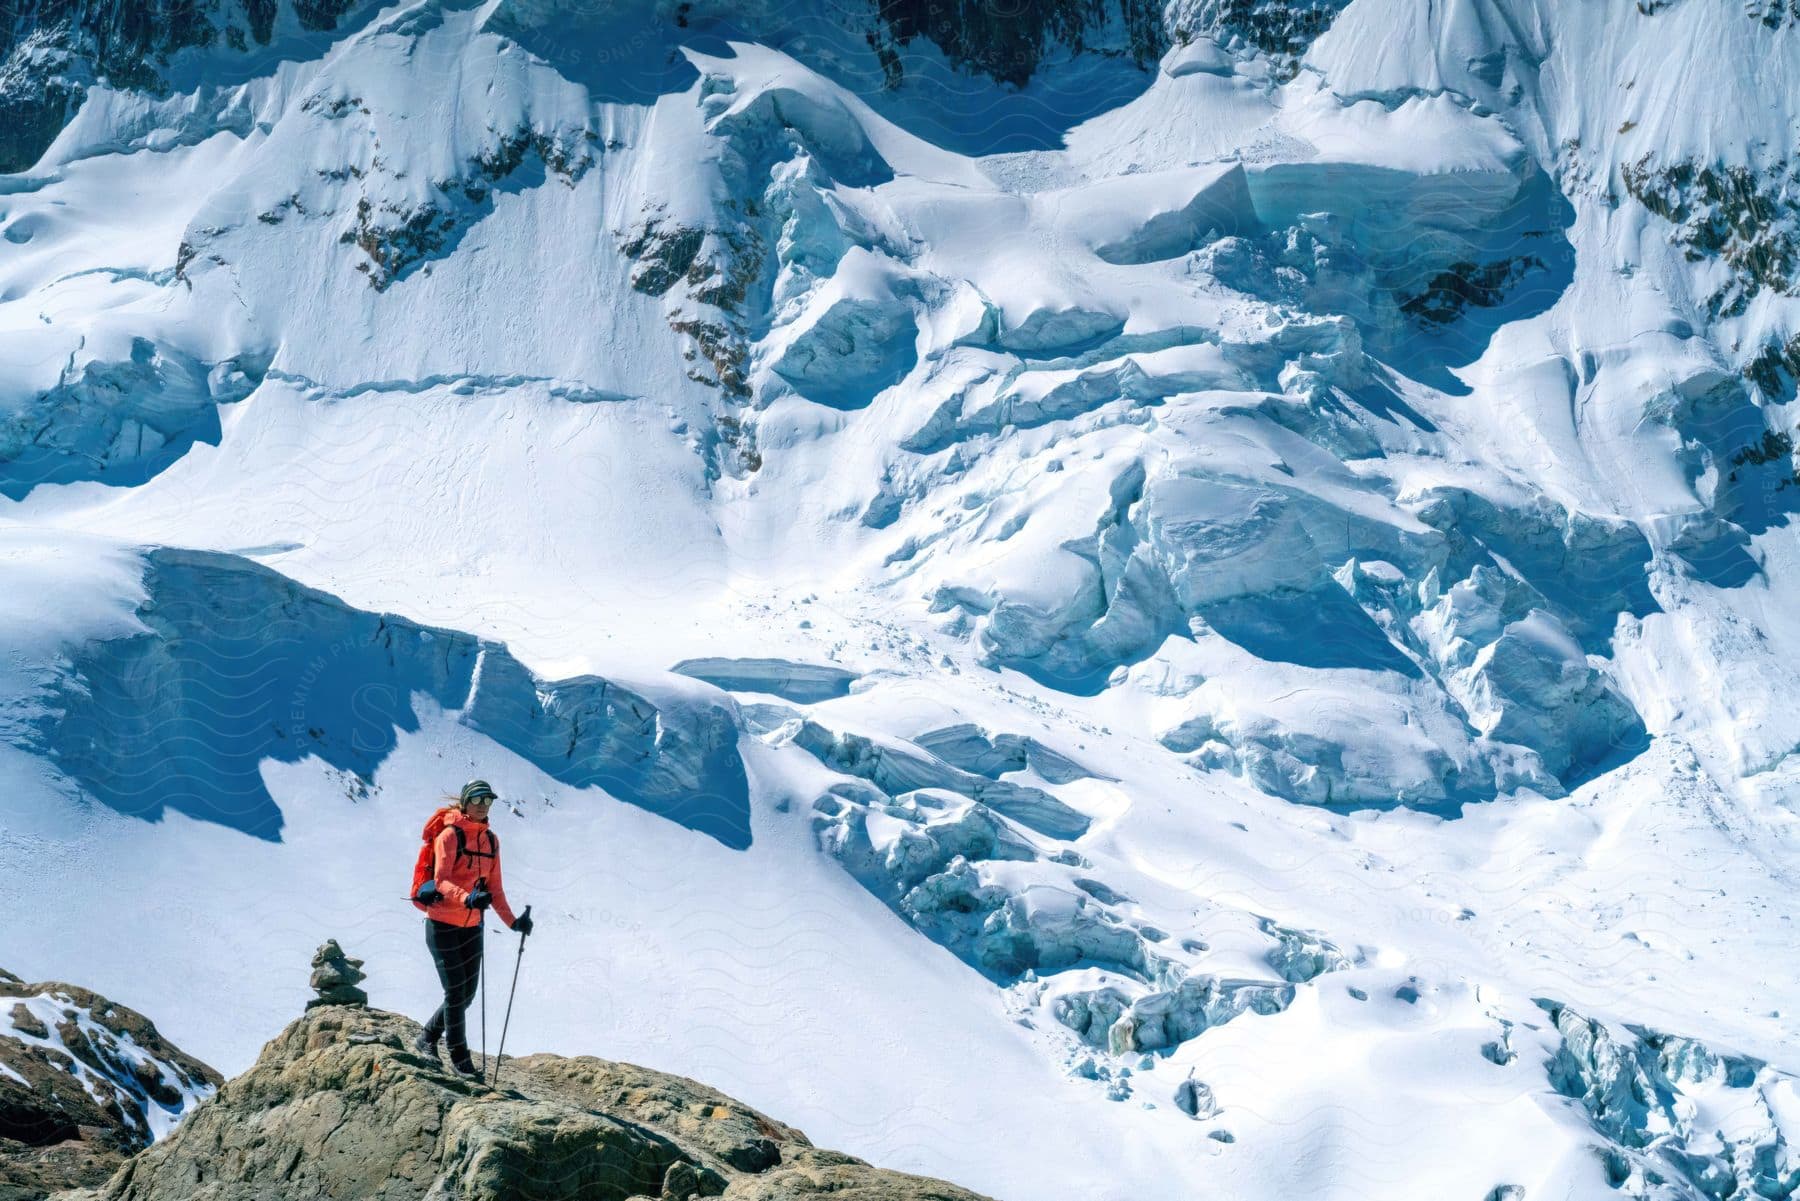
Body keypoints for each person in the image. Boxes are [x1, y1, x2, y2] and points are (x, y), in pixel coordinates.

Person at [411, 779, 533, 1077]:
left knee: (466, 995)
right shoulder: (449, 837)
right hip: (441, 924)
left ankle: (426, 1038)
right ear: (465, 802)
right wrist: (467, 898)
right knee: (455, 992)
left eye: (488, 800)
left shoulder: (491, 841)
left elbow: (496, 888)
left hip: (472, 926)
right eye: (477, 799)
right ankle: (460, 1059)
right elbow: (440, 880)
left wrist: (514, 922)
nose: (482, 804)